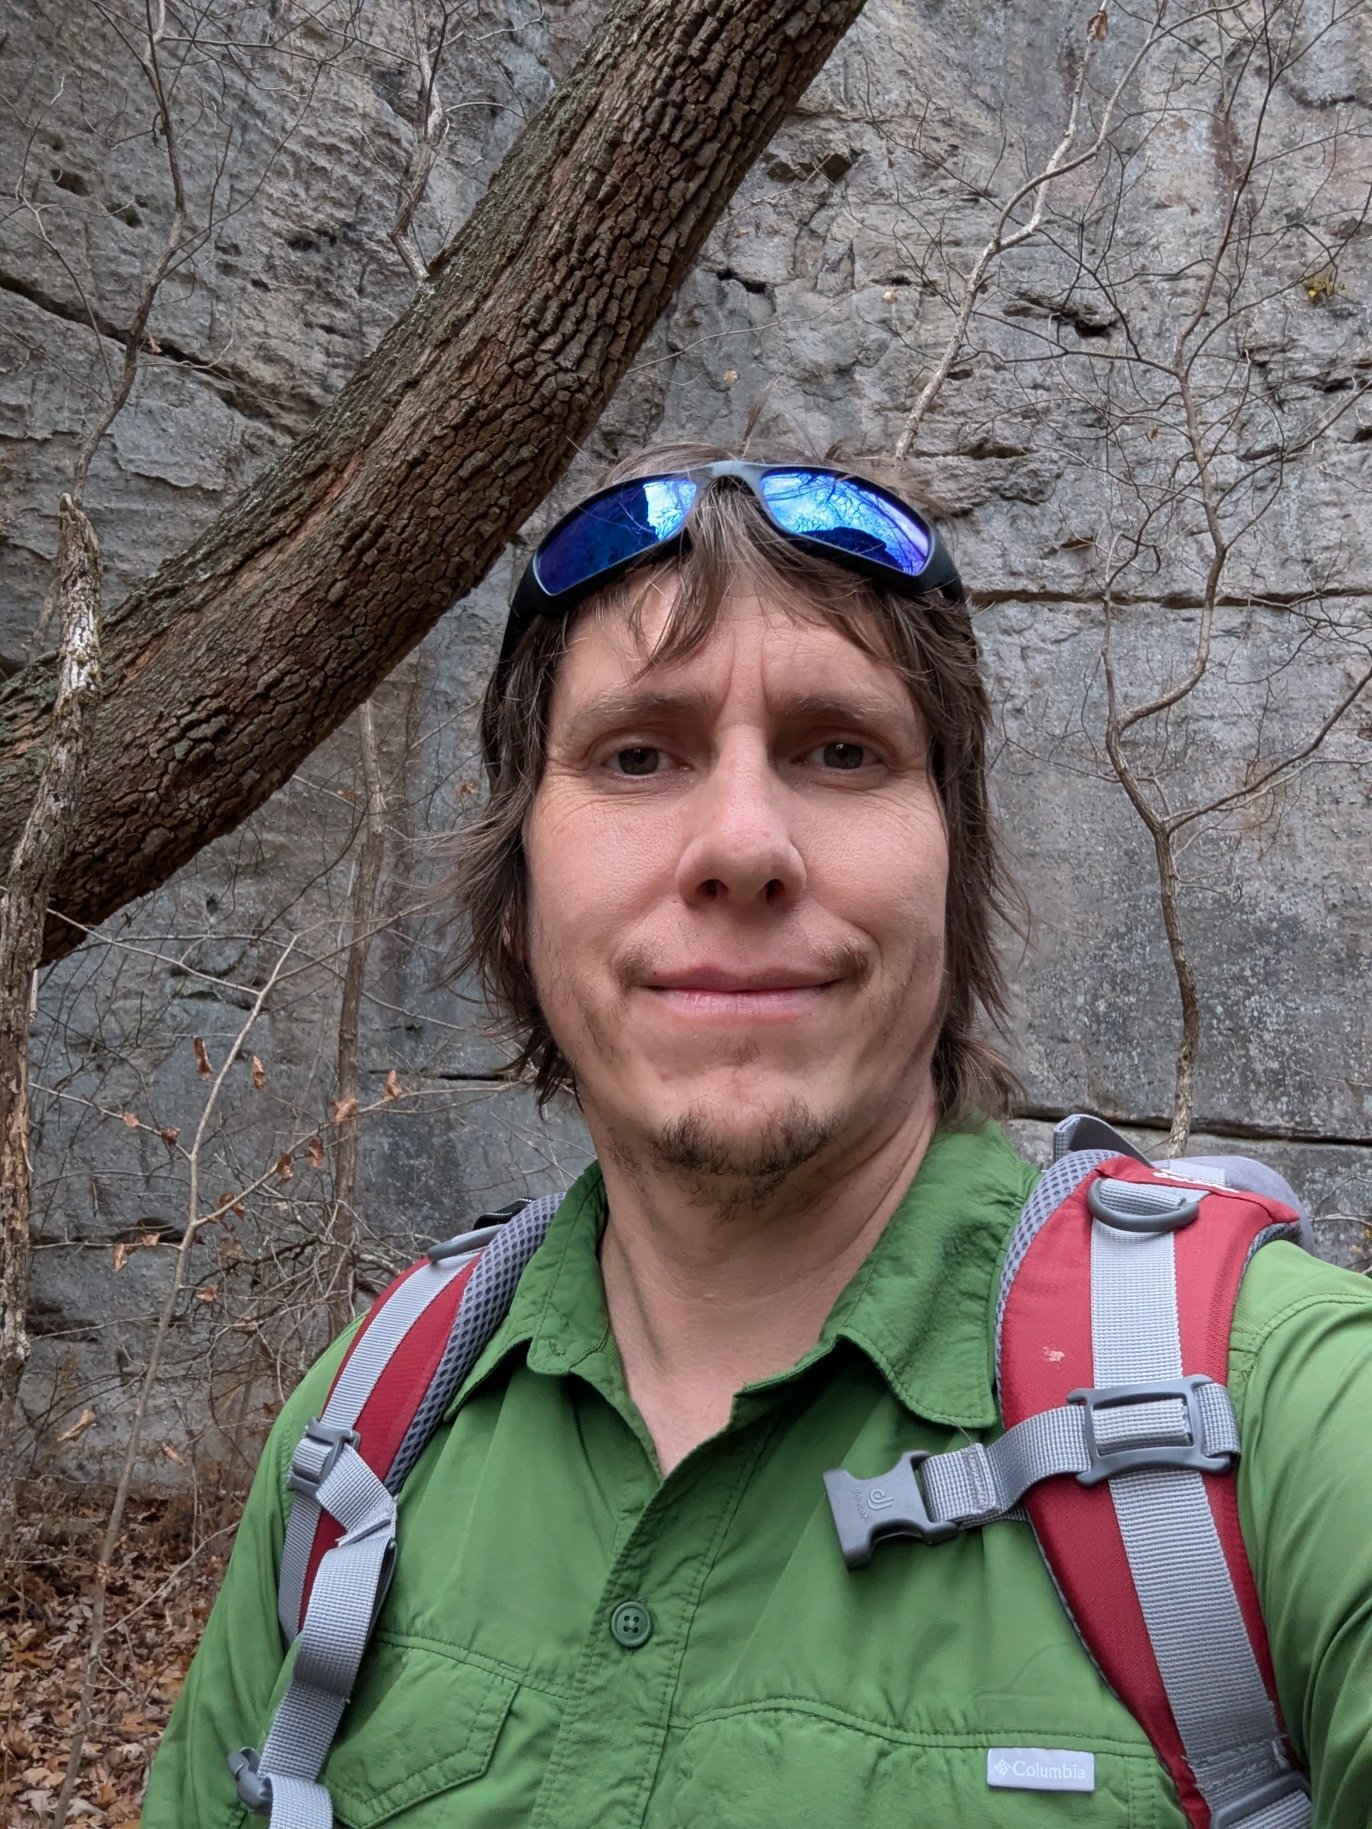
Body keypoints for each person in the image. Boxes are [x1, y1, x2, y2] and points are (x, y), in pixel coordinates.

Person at [144, 442, 1372, 1828]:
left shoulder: (1278, 1415)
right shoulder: (360, 1436)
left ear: (953, 874)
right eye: (638, 753)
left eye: (841, 750)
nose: (743, 841)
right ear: (517, 897)